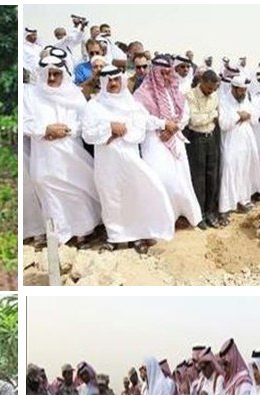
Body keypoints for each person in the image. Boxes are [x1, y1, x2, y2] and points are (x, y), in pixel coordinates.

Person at [82, 66, 176, 253]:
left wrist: (163, 123)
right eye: (108, 81)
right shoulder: (94, 106)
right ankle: (115, 238)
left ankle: (136, 236)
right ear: (102, 82)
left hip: (130, 160)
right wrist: (109, 127)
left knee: (135, 195)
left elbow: (145, 120)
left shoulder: (131, 103)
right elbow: (87, 134)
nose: (113, 84)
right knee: (111, 199)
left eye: (116, 79)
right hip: (107, 164)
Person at [23, 56, 102, 247]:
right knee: (47, 189)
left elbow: (84, 122)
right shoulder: (31, 95)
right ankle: (60, 234)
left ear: (63, 75)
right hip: (44, 155)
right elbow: (25, 122)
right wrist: (45, 130)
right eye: (48, 74)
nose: (51, 78)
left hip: (71, 152)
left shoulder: (74, 94)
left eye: (56, 74)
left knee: (77, 190)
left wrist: (65, 131)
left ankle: (83, 231)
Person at [134, 54, 204, 228]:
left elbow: (185, 113)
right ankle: (162, 219)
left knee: (181, 179)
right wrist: (163, 124)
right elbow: (141, 118)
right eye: (161, 73)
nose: (165, 76)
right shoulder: (142, 93)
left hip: (175, 138)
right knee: (161, 179)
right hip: (154, 140)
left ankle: (184, 214)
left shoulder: (175, 90)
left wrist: (175, 127)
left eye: (168, 73)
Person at [218, 76, 260, 220]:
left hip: (246, 142)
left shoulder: (245, 100)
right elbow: (223, 124)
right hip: (231, 142)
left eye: (244, 90)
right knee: (229, 169)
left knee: (243, 171)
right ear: (233, 89)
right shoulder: (224, 101)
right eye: (240, 90)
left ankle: (242, 201)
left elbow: (255, 117)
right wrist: (238, 117)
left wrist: (248, 115)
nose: (243, 93)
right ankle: (226, 206)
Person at [184, 70, 222, 227]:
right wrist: (211, 114)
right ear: (201, 82)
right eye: (208, 89)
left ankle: (210, 212)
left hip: (211, 138)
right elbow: (193, 120)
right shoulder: (190, 95)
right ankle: (199, 214)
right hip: (197, 139)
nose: (210, 92)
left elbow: (213, 115)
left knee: (212, 176)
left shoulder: (215, 95)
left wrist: (208, 115)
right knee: (198, 177)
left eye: (213, 90)